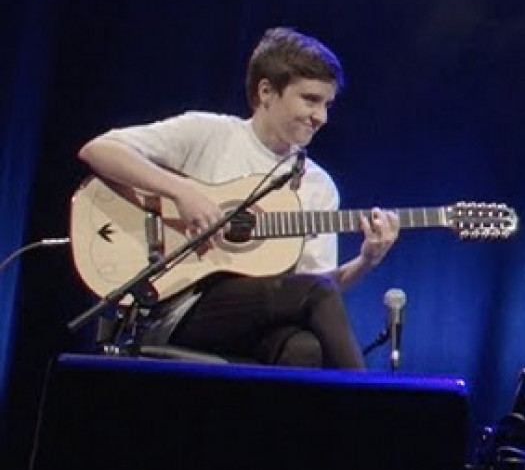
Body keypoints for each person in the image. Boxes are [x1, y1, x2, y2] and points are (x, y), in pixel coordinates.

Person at [77, 27, 398, 368]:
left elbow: (318, 285)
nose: (322, 116)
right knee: (315, 295)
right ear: (266, 92)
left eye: (327, 104)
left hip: (255, 321)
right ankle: (368, 399)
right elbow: (99, 150)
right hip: (178, 305)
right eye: (310, 100)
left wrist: (366, 261)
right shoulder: (209, 134)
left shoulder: (317, 185)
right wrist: (181, 192)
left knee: (305, 349)